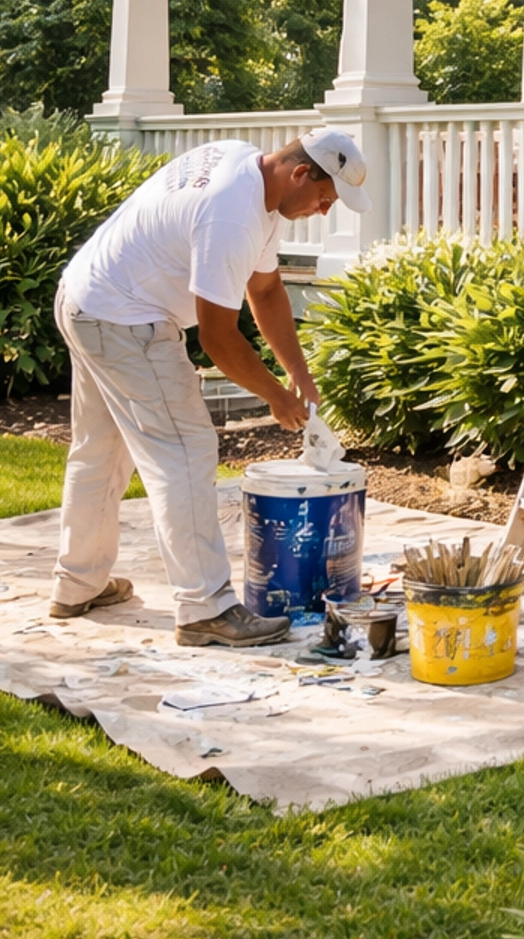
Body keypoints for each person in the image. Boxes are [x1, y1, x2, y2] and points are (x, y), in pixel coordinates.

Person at [49, 129, 371, 648]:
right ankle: (205, 608)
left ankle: (76, 584)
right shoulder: (231, 213)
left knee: (100, 451)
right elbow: (218, 339)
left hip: (88, 297)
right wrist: (277, 396)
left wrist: (299, 374)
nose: (324, 210)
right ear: (300, 173)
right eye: (325, 197)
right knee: (185, 448)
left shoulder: (254, 181)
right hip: (124, 317)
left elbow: (266, 290)